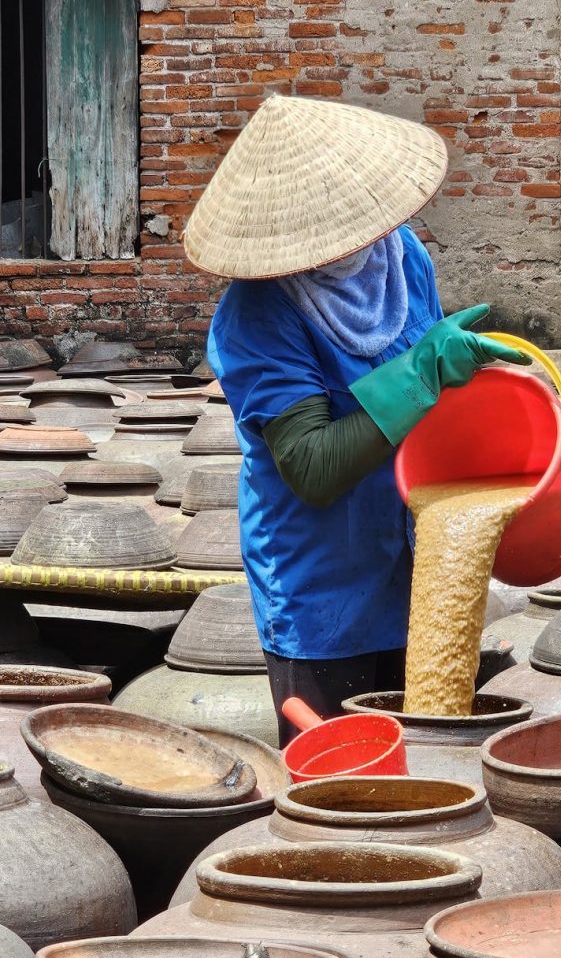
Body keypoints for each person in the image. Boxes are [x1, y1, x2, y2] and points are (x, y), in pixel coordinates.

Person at [185, 94, 530, 745]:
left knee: (428, 759)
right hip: (320, 589)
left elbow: (435, 399)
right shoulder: (258, 313)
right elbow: (312, 466)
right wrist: (420, 375)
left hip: (416, 565)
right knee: (346, 777)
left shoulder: (402, 259)